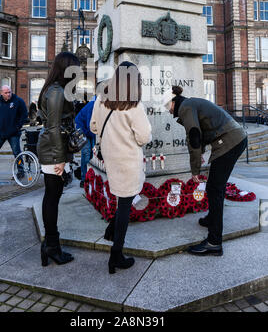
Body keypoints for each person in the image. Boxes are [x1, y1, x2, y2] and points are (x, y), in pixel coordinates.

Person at [166, 86, 247, 256]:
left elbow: (194, 136)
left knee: (214, 189)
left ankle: (214, 242)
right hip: (234, 139)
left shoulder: (185, 108)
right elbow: (201, 132)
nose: (167, 110)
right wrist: (201, 152)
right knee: (216, 185)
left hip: (228, 142)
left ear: (173, 102)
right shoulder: (189, 104)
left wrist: (195, 170)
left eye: (167, 106)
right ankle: (212, 218)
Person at [90, 62, 152, 274]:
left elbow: (93, 127)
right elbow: (143, 137)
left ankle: (110, 232)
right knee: (125, 205)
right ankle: (116, 255)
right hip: (128, 160)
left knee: (122, 199)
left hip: (110, 159)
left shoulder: (101, 99)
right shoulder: (134, 105)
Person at [37, 51, 80, 267]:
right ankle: (51, 246)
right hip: (54, 151)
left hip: (55, 149)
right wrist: (60, 158)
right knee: (52, 196)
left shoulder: (56, 89)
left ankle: (51, 245)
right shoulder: (56, 92)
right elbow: (54, 127)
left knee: (52, 195)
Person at [75, 95, 96, 188]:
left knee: (92, 153)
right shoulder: (92, 106)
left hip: (89, 130)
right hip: (82, 129)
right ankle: (84, 179)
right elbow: (89, 125)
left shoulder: (99, 107)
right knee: (86, 153)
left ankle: (91, 176)